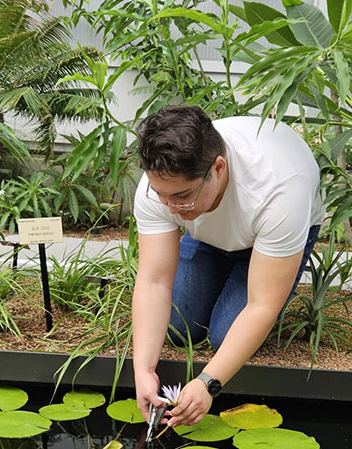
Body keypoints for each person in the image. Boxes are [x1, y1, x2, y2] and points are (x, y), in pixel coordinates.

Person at [132, 104, 323, 428]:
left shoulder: (281, 190)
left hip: (271, 237)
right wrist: (143, 370)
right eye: (163, 196)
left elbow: (261, 306)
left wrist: (208, 382)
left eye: (182, 196)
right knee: (179, 329)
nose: (172, 208)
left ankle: (237, 273)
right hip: (208, 235)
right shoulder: (162, 188)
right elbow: (153, 281)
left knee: (224, 338)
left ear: (218, 168)